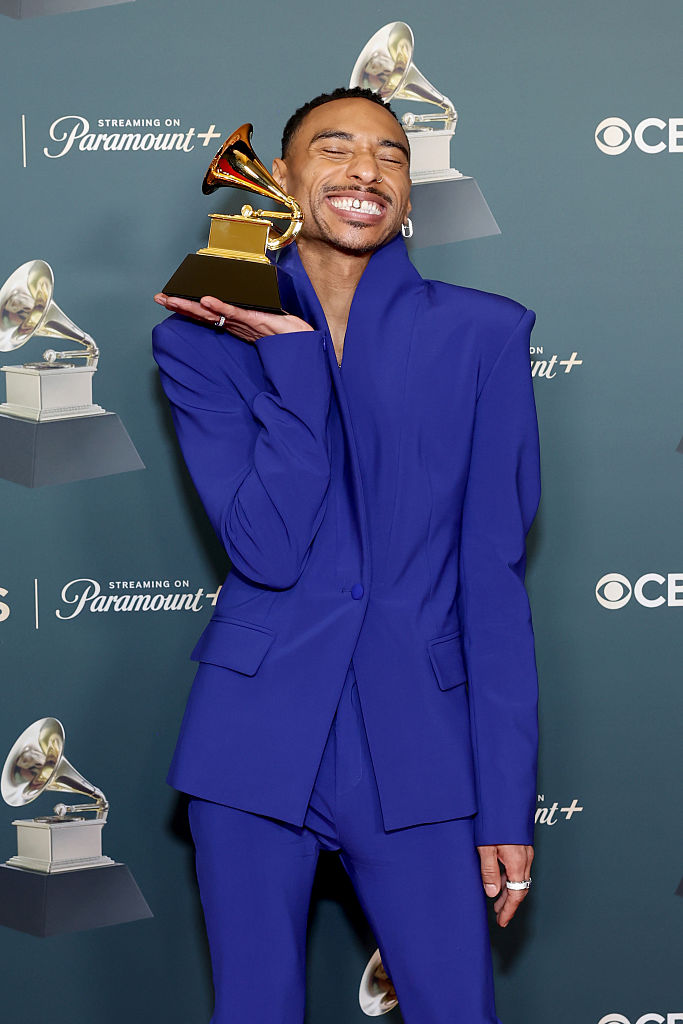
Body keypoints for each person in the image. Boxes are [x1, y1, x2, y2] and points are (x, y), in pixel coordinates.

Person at [152, 86, 540, 1024]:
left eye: (391, 155)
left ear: (409, 190)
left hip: (420, 744)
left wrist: (503, 803)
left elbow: (490, 580)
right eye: (335, 148)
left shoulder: (484, 334)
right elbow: (266, 550)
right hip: (251, 739)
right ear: (279, 178)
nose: (366, 170)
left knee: (456, 1010)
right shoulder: (197, 342)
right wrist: (287, 362)